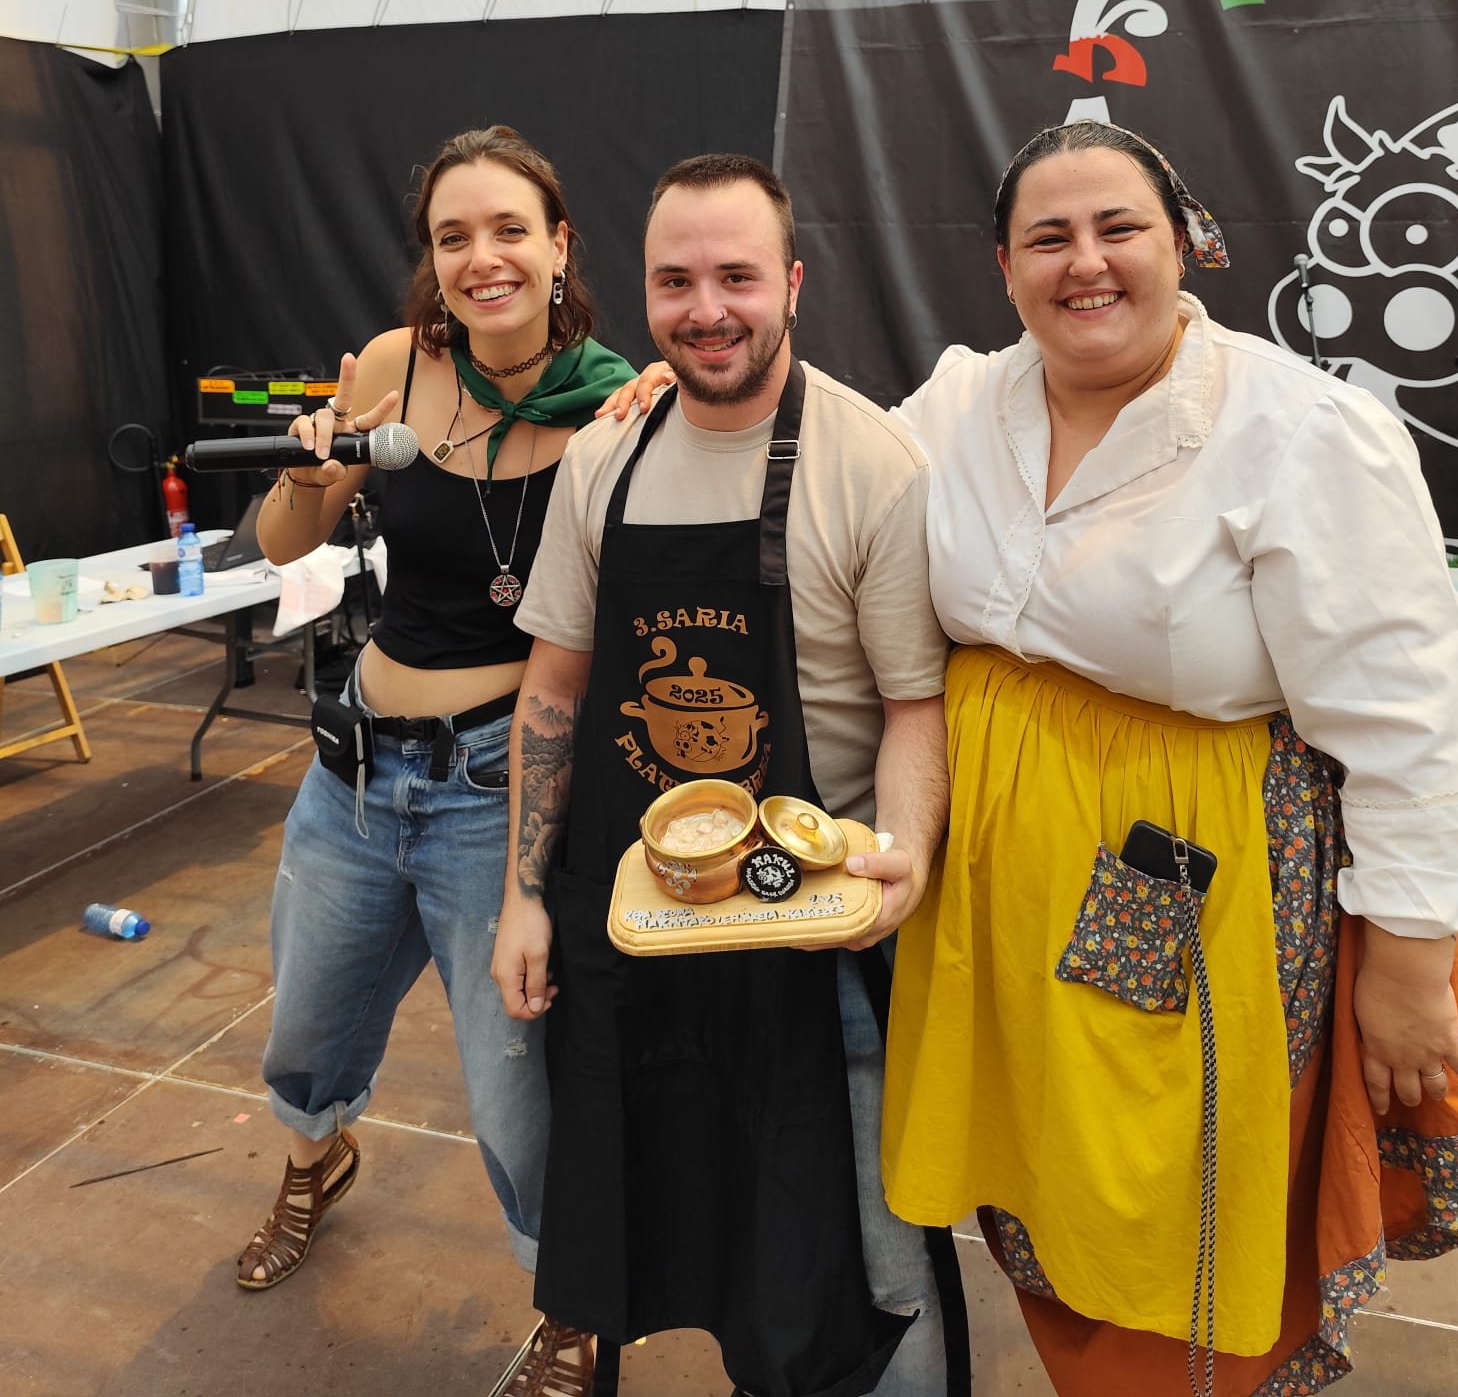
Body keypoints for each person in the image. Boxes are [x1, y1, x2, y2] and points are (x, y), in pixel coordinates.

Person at [877, 118, 1458, 1395]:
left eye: (1119, 227)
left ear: (1184, 244)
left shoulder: (1298, 429)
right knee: (1046, 1177)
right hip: (1004, 880)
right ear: (1003, 268)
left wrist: (1407, 962)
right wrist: (659, 405)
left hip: (1190, 879)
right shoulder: (960, 402)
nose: (1086, 262)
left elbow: (1418, 711)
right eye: (1048, 238)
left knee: (1165, 1185)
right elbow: (824, 474)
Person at [490, 153, 967, 1397]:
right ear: (642, 291)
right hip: (641, 926)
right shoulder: (605, 459)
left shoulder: (874, 464)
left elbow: (916, 707)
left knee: (865, 1262)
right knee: (677, 1216)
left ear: (793, 283)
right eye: (677, 281)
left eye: (738, 278)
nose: (707, 310)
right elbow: (554, 690)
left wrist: (901, 861)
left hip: (817, 940)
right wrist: (523, 895)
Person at [236, 125, 633, 1294]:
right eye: (453, 237)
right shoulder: (395, 368)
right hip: (356, 773)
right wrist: (309, 470)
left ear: (559, 245)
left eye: (509, 229)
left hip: (494, 790)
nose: (482, 257)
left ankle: (567, 1297)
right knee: (308, 1026)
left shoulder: (616, 409)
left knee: (516, 1084)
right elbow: (283, 544)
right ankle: (313, 1163)